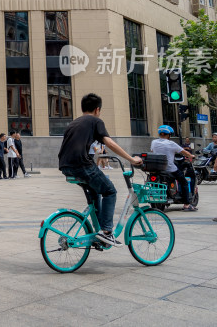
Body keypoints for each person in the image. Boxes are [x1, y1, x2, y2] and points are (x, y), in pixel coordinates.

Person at [58, 93, 142, 247]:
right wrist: (131, 159)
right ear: (97, 109)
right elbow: (109, 142)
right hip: (82, 165)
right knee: (110, 191)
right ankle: (107, 232)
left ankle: (99, 233)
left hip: (65, 167)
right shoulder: (96, 121)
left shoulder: (73, 123)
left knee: (97, 191)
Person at [150, 125, 197, 211]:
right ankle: (186, 204)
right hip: (169, 169)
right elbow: (184, 152)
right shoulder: (171, 143)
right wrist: (191, 156)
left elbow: (152, 151)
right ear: (169, 135)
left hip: (156, 169)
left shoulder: (154, 142)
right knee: (184, 182)